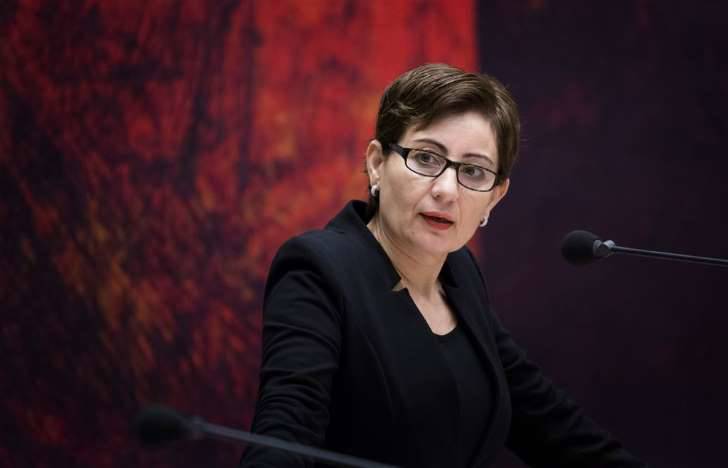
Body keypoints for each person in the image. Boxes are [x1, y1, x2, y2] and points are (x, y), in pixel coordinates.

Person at [240, 64, 646, 467]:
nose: (447, 190)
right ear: (377, 163)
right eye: (426, 158)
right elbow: (286, 432)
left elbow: (550, 423)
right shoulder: (319, 270)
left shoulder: (459, 273)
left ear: (495, 196)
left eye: (473, 171)